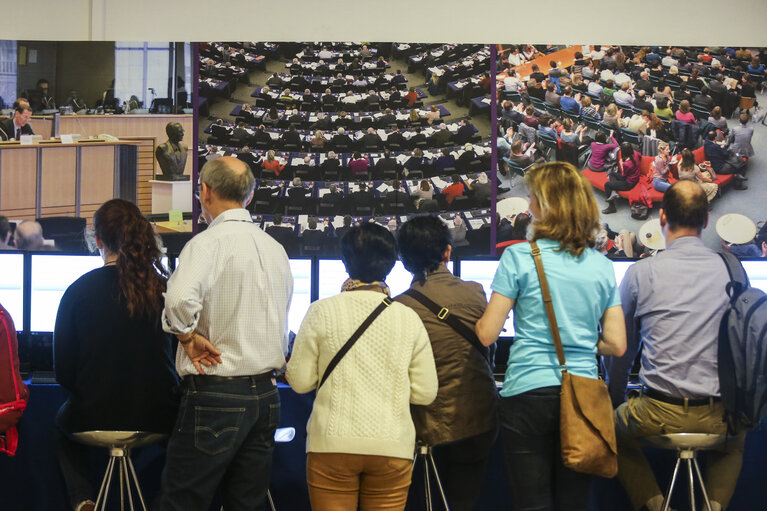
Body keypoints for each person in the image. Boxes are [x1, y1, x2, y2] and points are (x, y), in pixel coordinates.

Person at [475, 162, 626, 511]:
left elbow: (486, 334)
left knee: (532, 503)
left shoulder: (519, 257)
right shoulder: (602, 265)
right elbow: (617, 344)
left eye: (533, 199)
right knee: (573, 502)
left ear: (548, 206)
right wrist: (585, 342)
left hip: (527, 392)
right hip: (582, 394)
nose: (528, 207)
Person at [158, 157, 293, 511]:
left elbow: (177, 302)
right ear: (248, 197)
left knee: (182, 502)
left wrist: (186, 338)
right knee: (246, 503)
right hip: (267, 395)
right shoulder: (275, 249)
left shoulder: (207, 244)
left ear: (204, 192)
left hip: (217, 393)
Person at [606, 181, 745, 511]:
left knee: (609, 430)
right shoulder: (733, 268)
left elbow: (621, 350)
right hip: (719, 415)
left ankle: (656, 505)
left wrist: (614, 399)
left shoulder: (641, 272)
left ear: (662, 217)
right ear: (707, 220)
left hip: (656, 414)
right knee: (736, 443)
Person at [286, 222, 438, 511]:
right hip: (392, 447)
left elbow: (300, 381)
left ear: (345, 264)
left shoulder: (321, 311)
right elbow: (425, 393)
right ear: (392, 265)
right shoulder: (408, 318)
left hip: (331, 446)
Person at [54, 199, 180, 511]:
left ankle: (83, 499)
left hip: (92, 415)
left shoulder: (76, 291)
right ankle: (164, 501)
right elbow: (180, 362)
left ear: (97, 240)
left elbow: (63, 375)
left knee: (60, 425)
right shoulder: (165, 289)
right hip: (157, 416)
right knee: (186, 438)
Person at [394, 216, 497, 511]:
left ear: (402, 260)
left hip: (423, 426)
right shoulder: (476, 291)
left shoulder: (399, 307)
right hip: (477, 417)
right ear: (448, 252)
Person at [602, 143, 642, 214]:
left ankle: (612, 207)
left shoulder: (626, 164)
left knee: (607, 185)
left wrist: (621, 164)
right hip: (635, 178)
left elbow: (624, 175)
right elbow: (640, 155)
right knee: (612, 174)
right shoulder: (635, 153)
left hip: (629, 183)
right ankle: (614, 192)